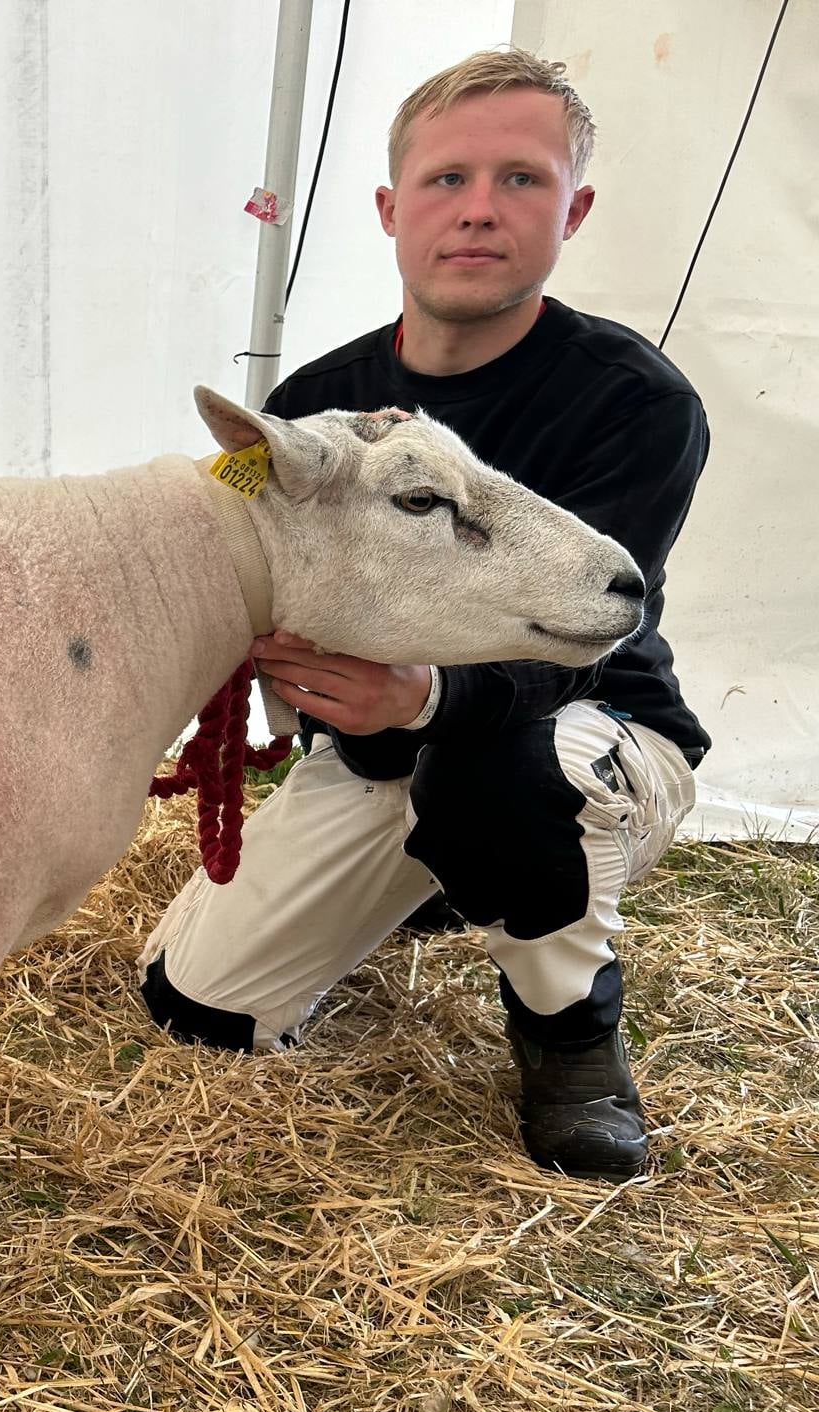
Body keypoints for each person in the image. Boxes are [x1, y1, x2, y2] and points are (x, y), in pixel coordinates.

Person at [138, 46, 711, 1181]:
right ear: (390, 210)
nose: (478, 212)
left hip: (585, 733)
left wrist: (431, 694)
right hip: (370, 749)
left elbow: (602, 627)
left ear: (572, 208)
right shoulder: (309, 410)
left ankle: (569, 1036)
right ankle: (444, 880)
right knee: (196, 1008)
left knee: (497, 770)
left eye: (520, 180)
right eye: (446, 181)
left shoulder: (632, 404)